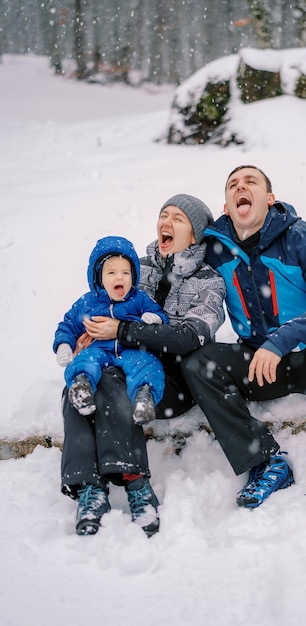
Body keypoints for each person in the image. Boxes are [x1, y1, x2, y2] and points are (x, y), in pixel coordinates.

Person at [181, 165, 306, 529]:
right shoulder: (215, 251)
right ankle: (267, 462)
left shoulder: (301, 237)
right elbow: (178, 275)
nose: (242, 187)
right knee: (198, 362)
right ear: (226, 206)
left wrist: (280, 340)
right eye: (233, 185)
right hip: (259, 365)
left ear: (270, 199)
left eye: (250, 182)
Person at [59, 195, 225, 537]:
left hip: (171, 380)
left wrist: (122, 331)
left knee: (111, 385)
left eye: (178, 218)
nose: (167, 221)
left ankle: (135, 483)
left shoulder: (209, 280)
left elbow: (191, 336)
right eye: (163, 214)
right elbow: (102, 299)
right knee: (78, 384)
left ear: (195, 235)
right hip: (120, 363)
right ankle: (89, 490)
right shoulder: (138, 265)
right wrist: (87, 333)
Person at [53, 235, 169, 424]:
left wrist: (154, 318)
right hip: (98, 348)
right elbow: (67, 325)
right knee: (85, 360)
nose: (119, 277)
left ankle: (144, 398)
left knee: (147, 363)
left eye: (125, 272)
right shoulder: (87, 302)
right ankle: (82, 386)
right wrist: (64, 345)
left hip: (131, 348)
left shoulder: (139, 299)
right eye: (111, 273)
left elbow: (159, 315)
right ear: (98, 277)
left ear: (134, 275)